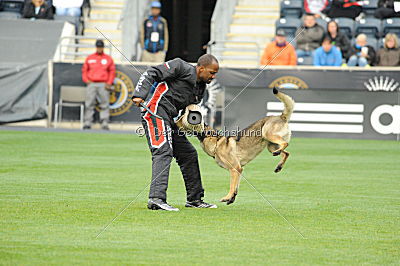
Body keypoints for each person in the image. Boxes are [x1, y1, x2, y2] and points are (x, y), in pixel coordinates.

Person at [131, 54, 219, 211]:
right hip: (155, 112)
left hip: (169, 119)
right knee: (163, 150)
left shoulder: (200, 88)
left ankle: (195, 199)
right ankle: (156, 199)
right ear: (201, 68)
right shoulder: (180, 66)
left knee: (189, 154)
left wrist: (206, 136)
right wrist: (139, 94)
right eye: (212, 73)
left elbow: (191, 116)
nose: (213, 76)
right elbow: (151, 72)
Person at [82, 40, 116, 130]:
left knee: (104, 103)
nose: (99, 48)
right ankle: (87, 122)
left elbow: (112, 71)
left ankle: (104, 122)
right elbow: (84, 70)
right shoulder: (90, 58)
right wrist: (86, 80)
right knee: (89, 103)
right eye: (98, 47)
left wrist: (109, 83)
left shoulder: (108, 58)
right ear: (96, 47)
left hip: (103, 84)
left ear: (103, 47)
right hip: (92, 83)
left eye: (101, 47)